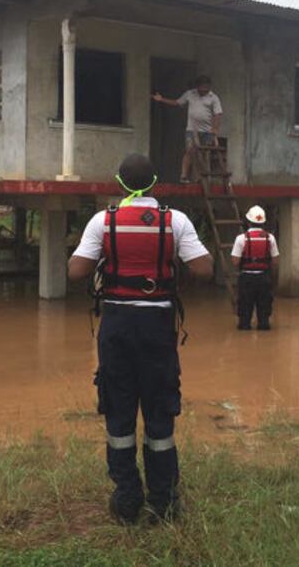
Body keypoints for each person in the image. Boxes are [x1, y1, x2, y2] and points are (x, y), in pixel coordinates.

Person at [68, 153, 214, 525]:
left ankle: (127, 498)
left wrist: (102, 253)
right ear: (155, 184)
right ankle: (163, 501)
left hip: (117, 326)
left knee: (118, 410)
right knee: (160, 412)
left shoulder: (103, 221)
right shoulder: (175, 220)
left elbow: (75, 271)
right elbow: (203, 268)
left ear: (119, 184)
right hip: (157, 326)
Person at [151, 75, 223, 183]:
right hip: (191, 130)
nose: (204, 90)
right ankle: (184, 175)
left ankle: (201, 177)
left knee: (203, 153)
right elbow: (177, 102)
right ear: (198, 86)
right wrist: (161, 99)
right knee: (189, 151)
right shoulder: (190, 94)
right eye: (201, 87)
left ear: (209, 86)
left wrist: (215, 129)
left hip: (207, 131)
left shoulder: (213, 97)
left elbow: (218, 114)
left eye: (206, 87)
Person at [230, 205, 279, 331]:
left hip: (246, 278)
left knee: (244, 317)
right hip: (264, 278)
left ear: (248, 221)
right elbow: (275, 261)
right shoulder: (270, 238)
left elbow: (235, 262)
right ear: (263, 222)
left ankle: (244, 340)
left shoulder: (241, 238)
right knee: (264, 316)